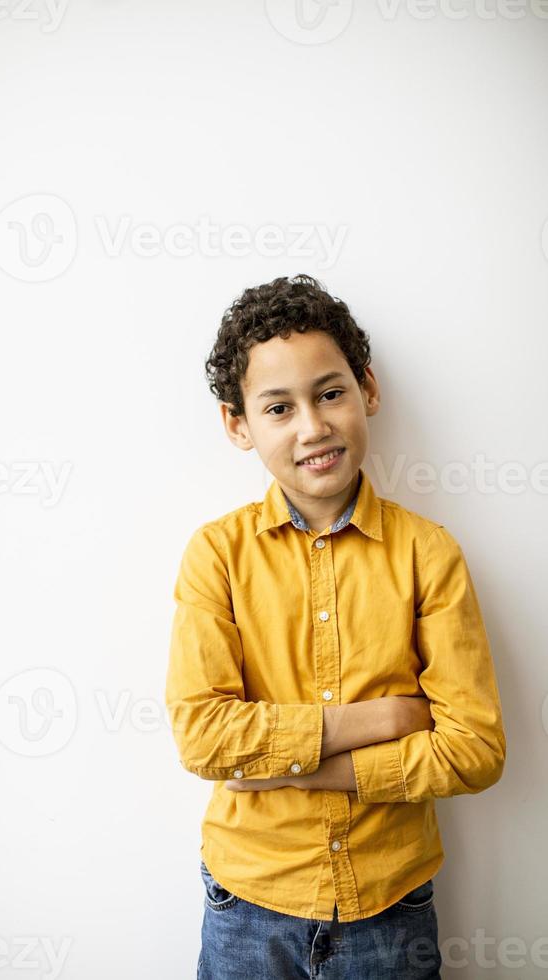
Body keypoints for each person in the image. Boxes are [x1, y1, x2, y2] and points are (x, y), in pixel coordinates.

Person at [164, 274, 506, 979]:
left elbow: (474, 750)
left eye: (330, 393)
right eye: (278, 407)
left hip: (391, 909)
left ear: (367, 391)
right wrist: (384, 716)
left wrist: (302, 772)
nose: (313, 427)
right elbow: (203, 737)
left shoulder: (428, 553)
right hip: (247, 908)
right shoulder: (216, 556)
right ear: (238, 424)